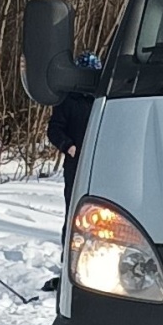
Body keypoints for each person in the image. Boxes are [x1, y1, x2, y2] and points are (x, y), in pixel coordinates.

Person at [41, 51, 101, 293]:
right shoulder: (67, 101)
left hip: (102, 165)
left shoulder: (102, 100)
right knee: (74, 214)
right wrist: (68, 146)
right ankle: (69, 265)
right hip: (76, 166)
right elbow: (54, 130)